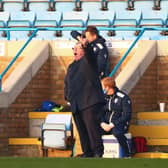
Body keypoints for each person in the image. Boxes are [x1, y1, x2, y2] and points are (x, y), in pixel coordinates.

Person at [64, 41, 105, 157]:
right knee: (82, 130)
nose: (74, 51)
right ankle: (87, 152)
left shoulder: (89, 62)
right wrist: (67, 96)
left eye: (78, 48)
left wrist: (86, 46)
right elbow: (67, 83)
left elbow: (90, 55)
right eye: (74, 48)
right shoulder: (72, 66)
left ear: (84, 51)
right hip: (76, 103)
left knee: (92, 129)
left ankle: (97, 151)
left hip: (90, 101)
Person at [100, 77, 132, 157]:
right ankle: (98, 154)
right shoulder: (103, 98)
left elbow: (126, 115)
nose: (102, 89)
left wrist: (112, 124)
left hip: (120, 123)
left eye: (103, 87)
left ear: (107, 87)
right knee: (94, 131)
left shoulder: (123, 98)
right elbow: (100, 112)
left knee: (117, 132)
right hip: (105, 124)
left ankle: (127, 153)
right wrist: (102, 123)